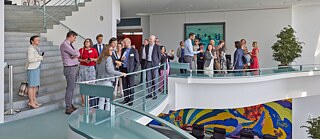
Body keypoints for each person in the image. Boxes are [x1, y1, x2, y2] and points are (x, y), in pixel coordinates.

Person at [96, 45, 126, 110]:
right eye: (111, 50)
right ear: (107, 51)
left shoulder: (99, 58)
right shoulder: (108, 58)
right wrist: (120, 73)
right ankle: (107, 115)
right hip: (106, 81)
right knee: (108, 100)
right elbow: (110, 70)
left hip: (99, 81)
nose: (112, 52)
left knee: (101, 100)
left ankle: (100, 115)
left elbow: (97, 71)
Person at [60, 31, 80, 114]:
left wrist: (75, 54)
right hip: (70, 68)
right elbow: (75, 53)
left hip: (74, 67)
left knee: (72, 87)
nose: (75, 39)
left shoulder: (70, 45)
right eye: (74, 37)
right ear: (71, 36)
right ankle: (68, 107)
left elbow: (77, 53)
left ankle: (70, 104)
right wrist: (75, 54)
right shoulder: (65, 44)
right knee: (70, 88)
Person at [78, 38, 99, 107]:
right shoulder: (81, 50)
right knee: (82, 84)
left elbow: (97, 58)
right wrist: (84, 60)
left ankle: (90, 100)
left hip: (91, 68)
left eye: (88, 42)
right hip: (83, 68)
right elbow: (78, 58)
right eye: (86, 42)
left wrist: (92, 59)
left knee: (91, 84)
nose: (86, 43)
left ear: (90, 43)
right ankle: (83, 101)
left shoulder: (94, 50)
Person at [120, 38, 140, 106]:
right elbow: (120, 59)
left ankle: (131, 100)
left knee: (131, 86)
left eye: (125, 43)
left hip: (131, 71)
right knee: (124, 85)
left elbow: (137, 62)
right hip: (123, 70)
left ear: (129, 42)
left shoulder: (134, 50)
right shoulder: (123, 50)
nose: (124, 44)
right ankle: (126, 99)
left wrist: (134, 72)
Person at [26, 35, 43, 109]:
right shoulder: (30, 49)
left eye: (38, 40)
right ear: (32, 41)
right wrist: (40, 58)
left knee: (35, 86)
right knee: (31, 86)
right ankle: (31, 102)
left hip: (36, 68)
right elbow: (30, 59)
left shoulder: (35, 48)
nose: (38, 41)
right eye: (36, 40)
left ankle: (34, 100)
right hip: (32, 68)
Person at [145, 35, 161, 100]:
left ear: (154, 40)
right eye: (149, 39)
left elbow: (159, 56)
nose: (149, 40)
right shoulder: (146, 47)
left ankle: (155, 93)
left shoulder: (157, 47)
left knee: (155, 79)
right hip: (148, 63)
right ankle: (149, 93)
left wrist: (158, 63)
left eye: (151, 39)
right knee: (148, 79)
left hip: (155, 64)